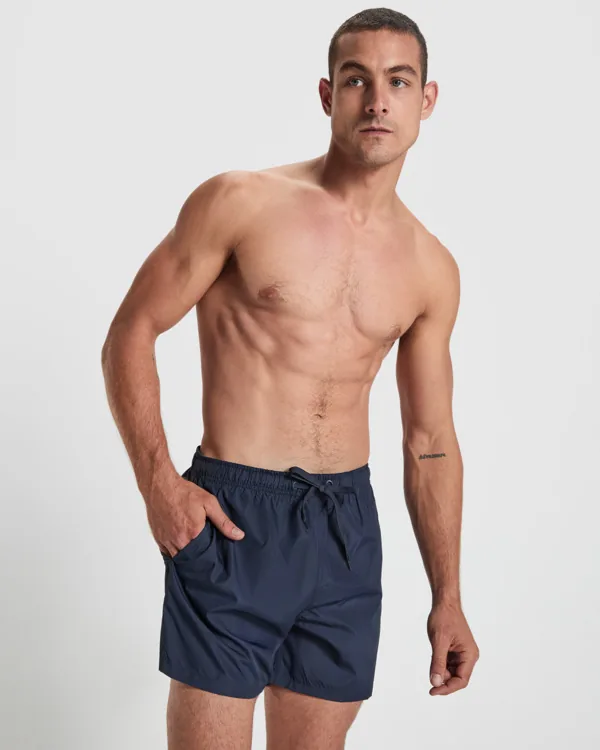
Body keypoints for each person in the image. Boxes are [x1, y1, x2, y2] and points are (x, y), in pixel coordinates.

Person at [101, 7, 479, 749]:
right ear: (327, 94)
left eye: (399, 82)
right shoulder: (240, 202)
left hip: (346, 530)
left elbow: (430, 440)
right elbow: (130, 332)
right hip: (234, 514)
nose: (378, 101)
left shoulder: (431, 267)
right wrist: (159, 486)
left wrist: (449, 597)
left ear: (426, 99)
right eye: (357, 80)